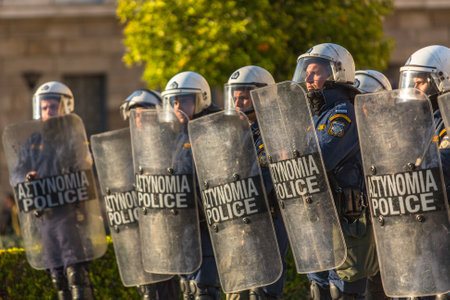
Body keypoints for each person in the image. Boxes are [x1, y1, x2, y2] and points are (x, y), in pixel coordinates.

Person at [292, 43, 378, 300]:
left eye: (315, 72)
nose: (307, 78)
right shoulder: (314, 116)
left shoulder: (342, 115)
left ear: (336, 73)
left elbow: (320, 160)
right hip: (317, 219)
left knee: (342, 292)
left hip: (345, 222)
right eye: (305, 72)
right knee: (318, 290)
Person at [11, 81, 104, 300]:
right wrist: (27, 178)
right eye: (44, 107)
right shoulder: (33, 141)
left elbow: (85, 166)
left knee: (76, 275)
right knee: (59, 278)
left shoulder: (73, 137)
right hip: (45, 217)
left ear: (65, 107)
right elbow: (16, 174)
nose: (48, 112)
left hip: (70, 215)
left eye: (53, 106)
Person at [223, 65, 289, 300]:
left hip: (268, 219)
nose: (237, 103)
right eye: (235, 97)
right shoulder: (237, 131)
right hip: (241, 218)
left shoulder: (275, 130)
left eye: (243, 98)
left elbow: (264, 179)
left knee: (262, 292)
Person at [161, 71, 222, 300]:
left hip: (206, 223)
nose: (178, 106)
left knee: (204, 288)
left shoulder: (212, 128)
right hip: (182, 223)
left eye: (184, 100)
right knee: (187, 289)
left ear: (200, 100)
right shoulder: (173, 135)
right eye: (174, 101)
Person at [396, 45, 450, 300]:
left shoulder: (446, 120)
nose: (413, 89)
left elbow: (445, 159)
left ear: (442, 80)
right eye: (411, 82)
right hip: (420, 220)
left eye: (420, 83)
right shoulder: (418, 122)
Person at [119, 89, 180, 300]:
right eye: (135, 115)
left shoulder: (171, 143)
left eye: (145, 114)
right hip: (139, 231)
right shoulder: (128, 148)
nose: (139, 120)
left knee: (167, 289)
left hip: (166, 231)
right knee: (146, 292)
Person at [353, 70, 392, 300]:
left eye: (366, 102)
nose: (361, 109)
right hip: (360, 228)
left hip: (389, 227)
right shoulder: (348, 135)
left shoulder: (394, 136)